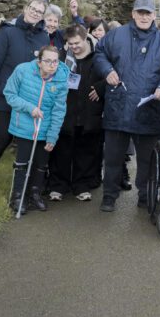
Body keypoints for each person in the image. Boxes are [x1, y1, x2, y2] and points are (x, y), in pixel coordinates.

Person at [93, 0, 160, 212]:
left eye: (148, 13)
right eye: (140, 12)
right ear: (133, 14)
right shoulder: (116, 35)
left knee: (147, 160)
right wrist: (107, 71)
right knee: (113, 158)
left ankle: (145, 194)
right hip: (118, 106)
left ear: (154, 15)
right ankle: (109, 196)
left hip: (149, 108)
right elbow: (99, 54)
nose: (144, 16)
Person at [0, 0, 50, 188]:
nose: (35, 13)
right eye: (32, 8)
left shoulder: (44, 37)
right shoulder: (7, 31)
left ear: (43, 16)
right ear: (25, 8)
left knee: (27, 140)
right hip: (4, 96)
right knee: (3, 137)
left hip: (29, 97)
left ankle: (25, 183)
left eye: (39, 12)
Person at [3, 44, 69, 214]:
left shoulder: (61, 80)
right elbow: (9, 94)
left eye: (55, 62)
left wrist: (52, 137)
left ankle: (35, 194)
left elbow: (59, 110)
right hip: (24, 127)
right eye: (47, 61)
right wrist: (29, 108)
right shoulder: (22, 70)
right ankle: (18, 197)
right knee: (22, 164)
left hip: (45, 130)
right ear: (39, 62)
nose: (52, 65)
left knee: (41, 164)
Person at [47, 25, 105, 202]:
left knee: (86, 152)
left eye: (77, 43)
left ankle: (81, 185)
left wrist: (101, 88)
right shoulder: (62, 58)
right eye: (70, 44)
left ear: (85, 37)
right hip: (66, 113)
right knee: (61, 152)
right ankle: (58, 185)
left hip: (89, 113)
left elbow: (112, 75)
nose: (74, 47)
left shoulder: (99, 57)